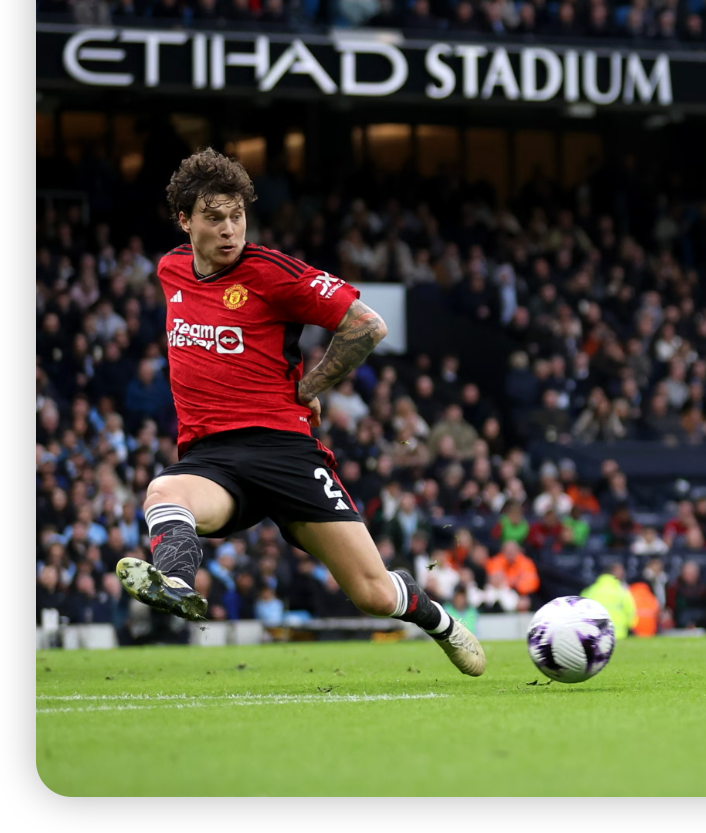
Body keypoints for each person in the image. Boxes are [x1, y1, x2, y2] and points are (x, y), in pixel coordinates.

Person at [113, 149, 484, 676]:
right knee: (163, 493)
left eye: (236, 215)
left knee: (374, 595)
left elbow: (367, 325)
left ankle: (439, 621)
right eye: (214, 217)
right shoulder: (171, 270)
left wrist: (312, 385)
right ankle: (175, 581)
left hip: (285, 452)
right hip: (212, 459)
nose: (228, 229)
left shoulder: (271, 273)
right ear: (184, 220)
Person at [582, 562, 637, 638]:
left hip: (597, 635)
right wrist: (631, 626)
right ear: (612, 572)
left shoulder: (590, 590)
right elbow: (630, 611)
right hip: (620, 634)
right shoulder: (621, 590)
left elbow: (581, 612)